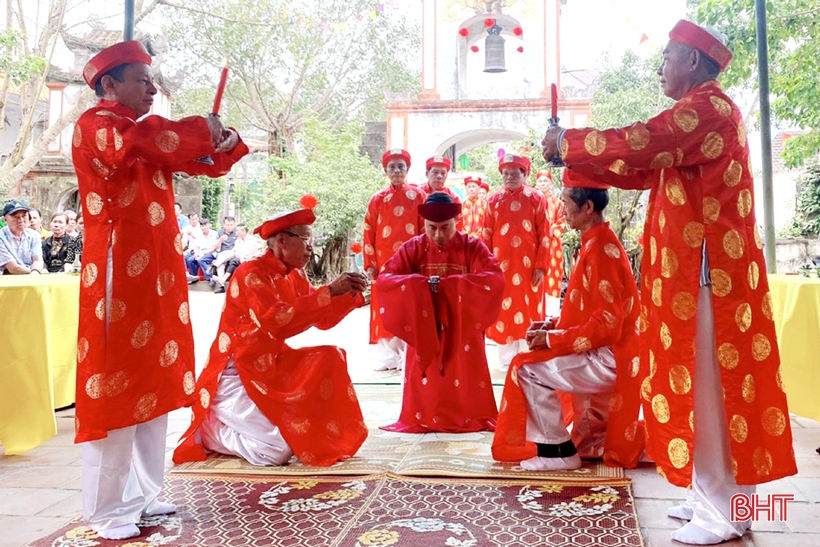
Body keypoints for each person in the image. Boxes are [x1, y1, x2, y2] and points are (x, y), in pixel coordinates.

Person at [540, 20, 797, 545]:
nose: (660, 67)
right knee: (697, 386)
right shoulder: (693, 116)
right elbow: (637, 166)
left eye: (668, 57)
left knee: (707, 389)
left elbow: (645, 141)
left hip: (709, 277)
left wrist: (569, 139)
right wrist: (570, 156)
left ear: (695, 63)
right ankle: (711, 496)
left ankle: (725, 509)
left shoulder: (709, 110)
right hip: (689, 277)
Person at [71, 40, 248, 540]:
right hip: (116, 275)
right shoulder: (99, 127)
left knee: (153, 380)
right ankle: (108, 509)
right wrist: (197, 129)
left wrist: (223, 136)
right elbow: (149, 142)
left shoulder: (146, 134)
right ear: (109, 84)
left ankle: (143, 495)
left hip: (158, 276)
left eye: (152, 82)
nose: (152, 89)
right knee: (116, 385)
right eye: (142, 81)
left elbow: (204, 162)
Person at [174, 203, 369, 467]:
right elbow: (276, 320)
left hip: (271, 363)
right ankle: (210, 432)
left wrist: (352, 296)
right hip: (238, 370)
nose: (310, 247)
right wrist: (330, 291)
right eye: (306, 240)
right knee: (274, 451)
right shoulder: (249, 273)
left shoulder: (294, 275)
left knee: (330, 357)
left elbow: (319, 318)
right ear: (281, 241)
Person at [492, 169, 644, 474]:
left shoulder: (600, 248)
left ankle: (557, 452)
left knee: (528, 370)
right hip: (610, 352)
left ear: (587, 207)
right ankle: (581, 443)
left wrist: (552, 340)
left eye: (566, 202)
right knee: (532, 361)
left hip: (611, 357)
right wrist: (552, 326)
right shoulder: (595, 241)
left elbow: (607, 324)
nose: (562, 209)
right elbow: (588, 310)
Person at [377, 193, 504, 433]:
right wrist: (420, 287)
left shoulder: (472, 246)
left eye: (445, 228)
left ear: (457, 221)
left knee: (462, 372)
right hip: (422, 326)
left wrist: (450, 287)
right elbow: (386, 279)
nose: (438, 235)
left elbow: (494, 278)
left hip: (461, 325)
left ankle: (468, 415)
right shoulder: (412, 247)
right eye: (431, 228)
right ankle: (425, 416)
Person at [481, 155, 550, 372]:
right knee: (503, 310)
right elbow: (486, 235)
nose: (509, 177)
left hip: (530, 268)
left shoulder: (536, 198)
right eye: (505, 173)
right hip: (501, 268)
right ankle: (506, 360)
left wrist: (541, 265)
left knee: (529, 307)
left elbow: (545, 235)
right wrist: (485, 267)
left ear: (525, 174)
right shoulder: (493, 201)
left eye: (515, 173)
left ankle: (527, 356)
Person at [363, 149, 426, 371]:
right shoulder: (377, 199)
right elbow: (368, 231)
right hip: (383, 263)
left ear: (407, 169)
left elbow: (424, 230)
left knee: (408, 306)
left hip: (411, 263)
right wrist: (369, 264)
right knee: (384, 307)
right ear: (386, 170)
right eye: (393, 167)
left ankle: (407, 357)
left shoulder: (419, 196)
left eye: (401, 166)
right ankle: (387, 357)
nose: (397, 170)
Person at [534, 170, 567, 316]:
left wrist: (550, 230)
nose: (543, 184)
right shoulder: (531, 201)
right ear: (536, 183)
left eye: (545, 181)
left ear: (551, 183)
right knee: (535, 273)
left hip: (553, 244)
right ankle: (536, 310)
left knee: (552, 274)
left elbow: (563, 219)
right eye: (540, 181)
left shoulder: (558, 203)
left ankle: (552, 312)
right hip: (535, 244)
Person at [213, 223, 262, 293]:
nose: (236, 232)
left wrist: (247, 258)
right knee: (233, 261)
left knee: (234, 261)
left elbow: (253, 251)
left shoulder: (252, 239)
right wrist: (242, 258)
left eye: (238, 231)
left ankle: (222, 279)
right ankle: (223, 280)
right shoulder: (237, 241)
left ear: (243, 231)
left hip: (251, 257)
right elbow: (239, 253)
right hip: (242, 258)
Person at [0, 200, 44, 274]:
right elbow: (13, 268)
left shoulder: (34, 235)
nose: (21, 220)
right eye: (15, 217)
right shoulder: (2, 237)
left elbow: (38, 260)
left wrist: (35, 272)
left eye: (24, 216)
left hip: (31, 276)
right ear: (5, 220)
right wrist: (33, 273)